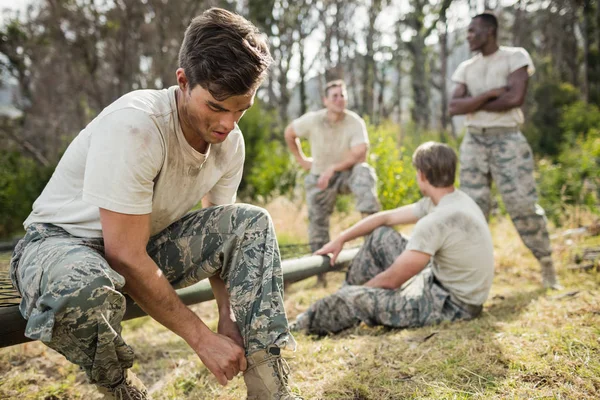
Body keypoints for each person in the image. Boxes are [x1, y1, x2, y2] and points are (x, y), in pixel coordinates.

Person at [9, 8, 300, 400]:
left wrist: (226, 318)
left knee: (251, 224)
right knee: (85, 286)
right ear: (183, 81)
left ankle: (270, 391)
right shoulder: (136, 126)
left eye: (241, 109)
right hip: (60, 245)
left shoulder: (229, 142)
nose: (228, 124)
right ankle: (121, 388)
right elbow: (124, 255)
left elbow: (226, 240)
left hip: (143, 244)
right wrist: (203, 339)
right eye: (216, 106)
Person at [290, 142, 494, 335]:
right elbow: (385, 217)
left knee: (354, 298)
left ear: (421, 175)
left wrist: (360, 292)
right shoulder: (453, 200)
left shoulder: (435, 221)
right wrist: (341, 239)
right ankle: (342, 304)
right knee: (380, 236)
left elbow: (392, 279)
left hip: (452, 306)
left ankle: (299, 326)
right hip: (441, 282)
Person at [448, 12, 561, 289]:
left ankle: (546, 264)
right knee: (473, 209)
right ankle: (475, 276)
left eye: (473, 31)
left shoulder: (515, 57)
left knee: (522, 203)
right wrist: (488, 95)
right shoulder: (466, 67)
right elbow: (454, 107)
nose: (469, 37)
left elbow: (515, 98)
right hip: (474, 141)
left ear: (490, 31)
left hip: (507, 139)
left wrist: (472, 103)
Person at [284, 80, 380, 285]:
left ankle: (373, 246)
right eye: (334, 96)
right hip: (319, 178)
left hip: (346, 175)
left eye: (342, 95)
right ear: (325, 100)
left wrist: (334, 168)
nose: (339, 99)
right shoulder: (313, 120)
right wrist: (302, 160)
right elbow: (289, 133)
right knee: (317, 224)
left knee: (364, 172)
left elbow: (360, 152)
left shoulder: (354, 121)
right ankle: (320, 276)